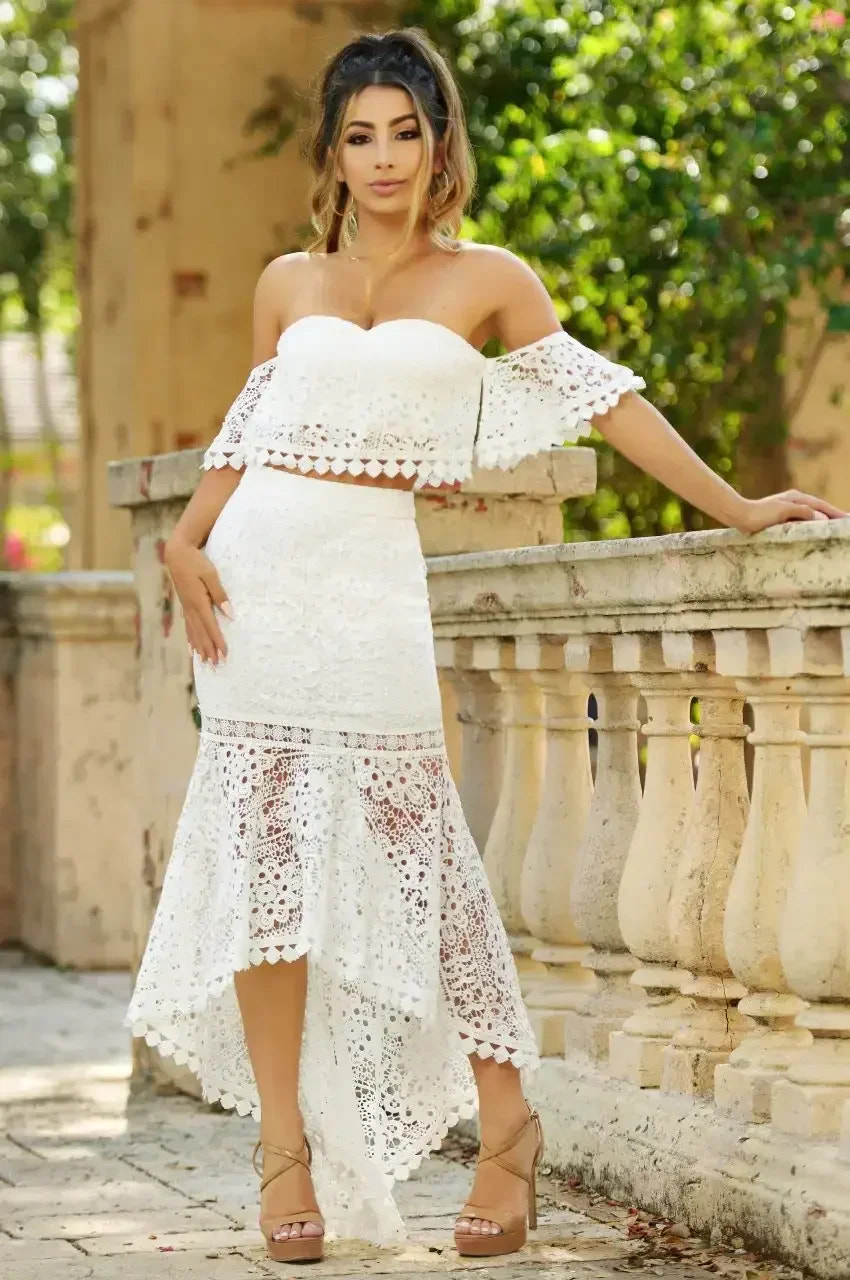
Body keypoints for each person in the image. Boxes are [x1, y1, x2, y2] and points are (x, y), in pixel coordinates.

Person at [123, 26, 843, 1267]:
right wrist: (185, 542)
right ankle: (284, 1152)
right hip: (255, 592)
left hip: (368, 588)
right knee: (265, 869)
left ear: (439, 141)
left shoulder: (489, 277)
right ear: (332, 153)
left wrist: (735, 507)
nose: (383, 157)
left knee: (425, 862)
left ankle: (507, 1124)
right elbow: (254, 426)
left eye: (405, 131)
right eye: (360, 135)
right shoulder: (286, 280)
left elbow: (605, 400)